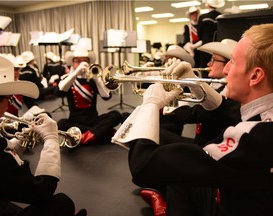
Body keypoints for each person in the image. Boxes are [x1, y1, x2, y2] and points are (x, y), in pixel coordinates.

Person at [112, 23, 273, 216]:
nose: (227, 70)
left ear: (255, 75)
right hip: (243, 194)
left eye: (234, 61)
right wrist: (194, 82)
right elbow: (227, 110)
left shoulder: (255, 137)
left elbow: (142, 165)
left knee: (177, 166)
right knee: (180, 173)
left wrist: (150, 105)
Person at [137, 39, 240, 216]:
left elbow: (204, 112)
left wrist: (158, 106)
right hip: (204, 145)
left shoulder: (231, 91)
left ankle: (162, 193)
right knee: (159, 138)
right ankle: (161, 191)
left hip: (211, 150)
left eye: (214, 59)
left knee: (163, 150)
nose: (208, 63)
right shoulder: (216, 85)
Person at [0, 53, 86, 216]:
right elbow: (41, 191)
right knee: (61, 202)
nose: (7, 106)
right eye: (7, 99)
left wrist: (17, 143)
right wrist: (51, 139)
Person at [58, 49, 122, 148]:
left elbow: (107, 97)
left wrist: (96, 78)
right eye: (78, 61)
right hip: (75, 121)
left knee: (116, 115)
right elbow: (60, 92)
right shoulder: (67, 79)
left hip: (93, 119)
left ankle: (83, 138)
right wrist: (75, 74)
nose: (82, 64)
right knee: (61, 123)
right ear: (72, 63)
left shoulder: (92, 80)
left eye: (84, 61)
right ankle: (100, 133)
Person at [197, 0, 225, 75]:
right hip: (219, 46)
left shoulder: (203, 17)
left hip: (206, 46)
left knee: (205, 67)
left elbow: (199, 33)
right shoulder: (222, 16)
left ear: (207, 5)